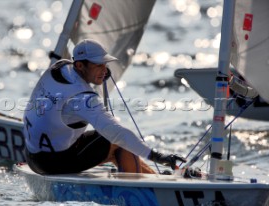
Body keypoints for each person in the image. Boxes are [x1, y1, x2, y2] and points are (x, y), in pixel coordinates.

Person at [23, 39, 186, 175]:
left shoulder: (59, 67)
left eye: (105, 65)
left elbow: (72, 87)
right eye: (98, 65)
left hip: (31, 154)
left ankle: (154, 177)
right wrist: (158, 157)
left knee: (108, 140)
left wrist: (95, 74)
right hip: (50, 164)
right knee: (118, 140)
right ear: (80, 65)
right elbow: (117, 133)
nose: (105, 70)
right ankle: (145, 191)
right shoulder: (84, 98)